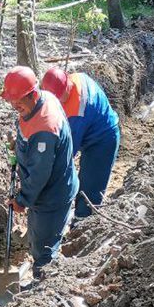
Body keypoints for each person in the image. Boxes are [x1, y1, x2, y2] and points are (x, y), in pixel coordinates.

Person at [0, 66, 78, 278]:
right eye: (11, 102)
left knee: (43, 250)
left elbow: (39, 174)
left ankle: (41, 287)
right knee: (37, 235)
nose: (15, 107)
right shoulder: (43, 99)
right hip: (44, 192)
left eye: (19, 103)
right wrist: (21, 144)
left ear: (33, 94)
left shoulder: (45, 128)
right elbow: (27, 128)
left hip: (52, 195)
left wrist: (22, 200)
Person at [40, 67, 121, 220]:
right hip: (91, 128)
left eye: (59, 98)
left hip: (103, 140)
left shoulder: (78, 111)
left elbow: (66, 153)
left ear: (67, 88)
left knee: (89, 189)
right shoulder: (73, 78)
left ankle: (81, 223)